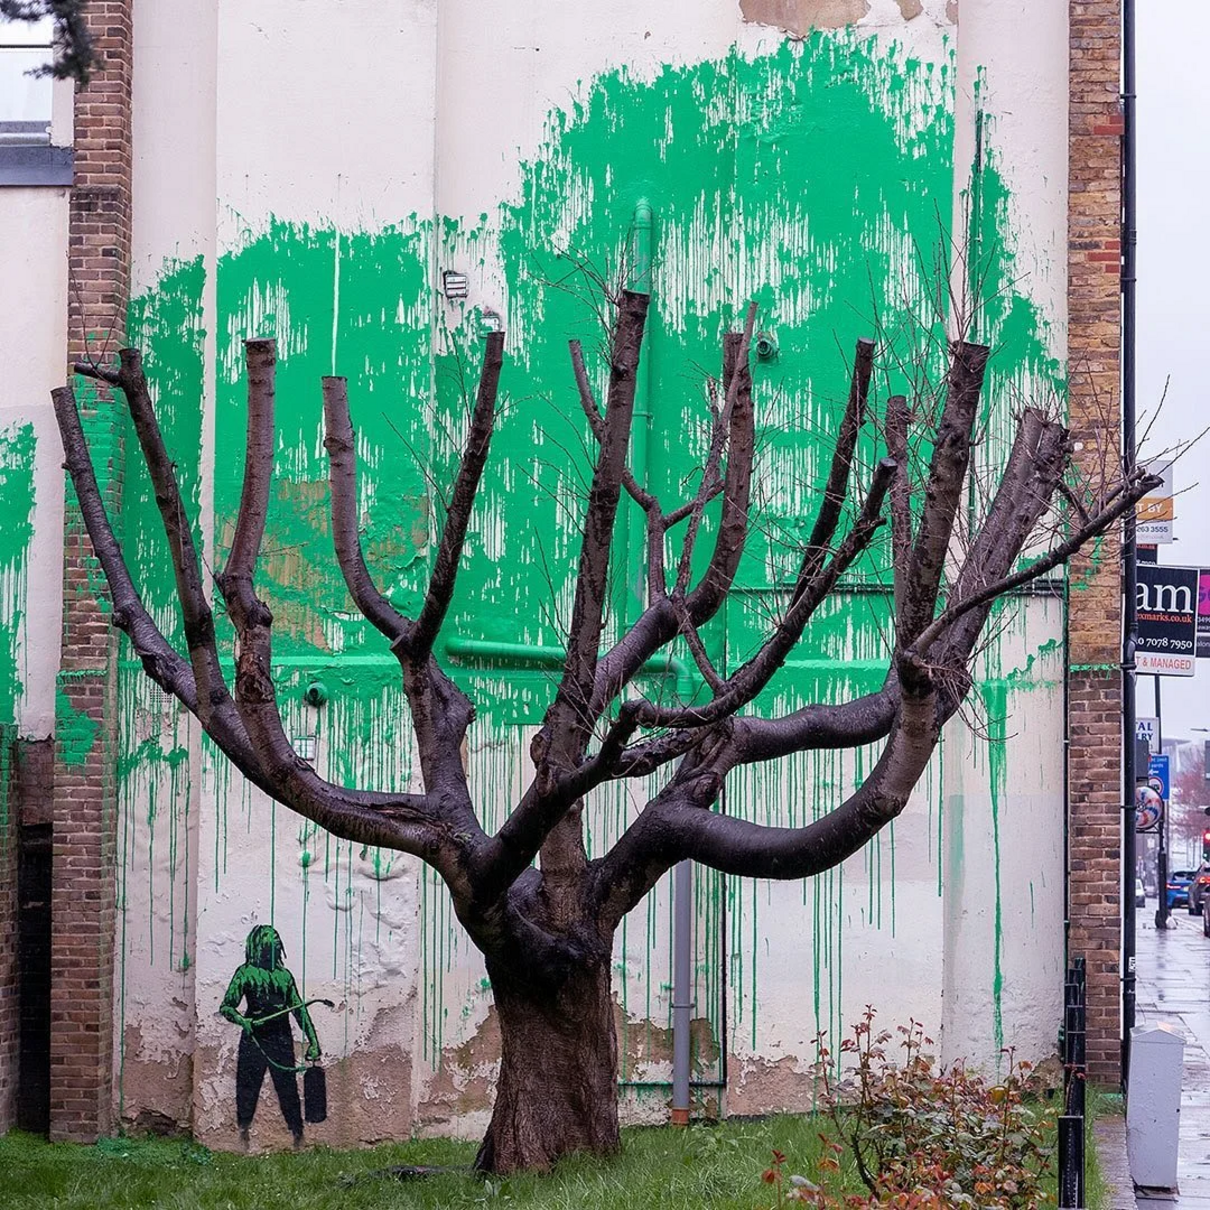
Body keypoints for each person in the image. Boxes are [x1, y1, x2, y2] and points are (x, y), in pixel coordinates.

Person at [220, 925, 320, 1149]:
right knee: (247, 1088)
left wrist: (314, 1041)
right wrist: (243, 1021)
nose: (274, 947)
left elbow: (299, 1011)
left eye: (276, 944)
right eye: (269, 945)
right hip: (254, 1038)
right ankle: (243, 1133)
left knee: (288, 1088)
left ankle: (297, 1135)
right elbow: (226, 1007)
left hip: (281, 1038)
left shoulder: (284, 976)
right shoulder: (245, 973)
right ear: (259, 947)